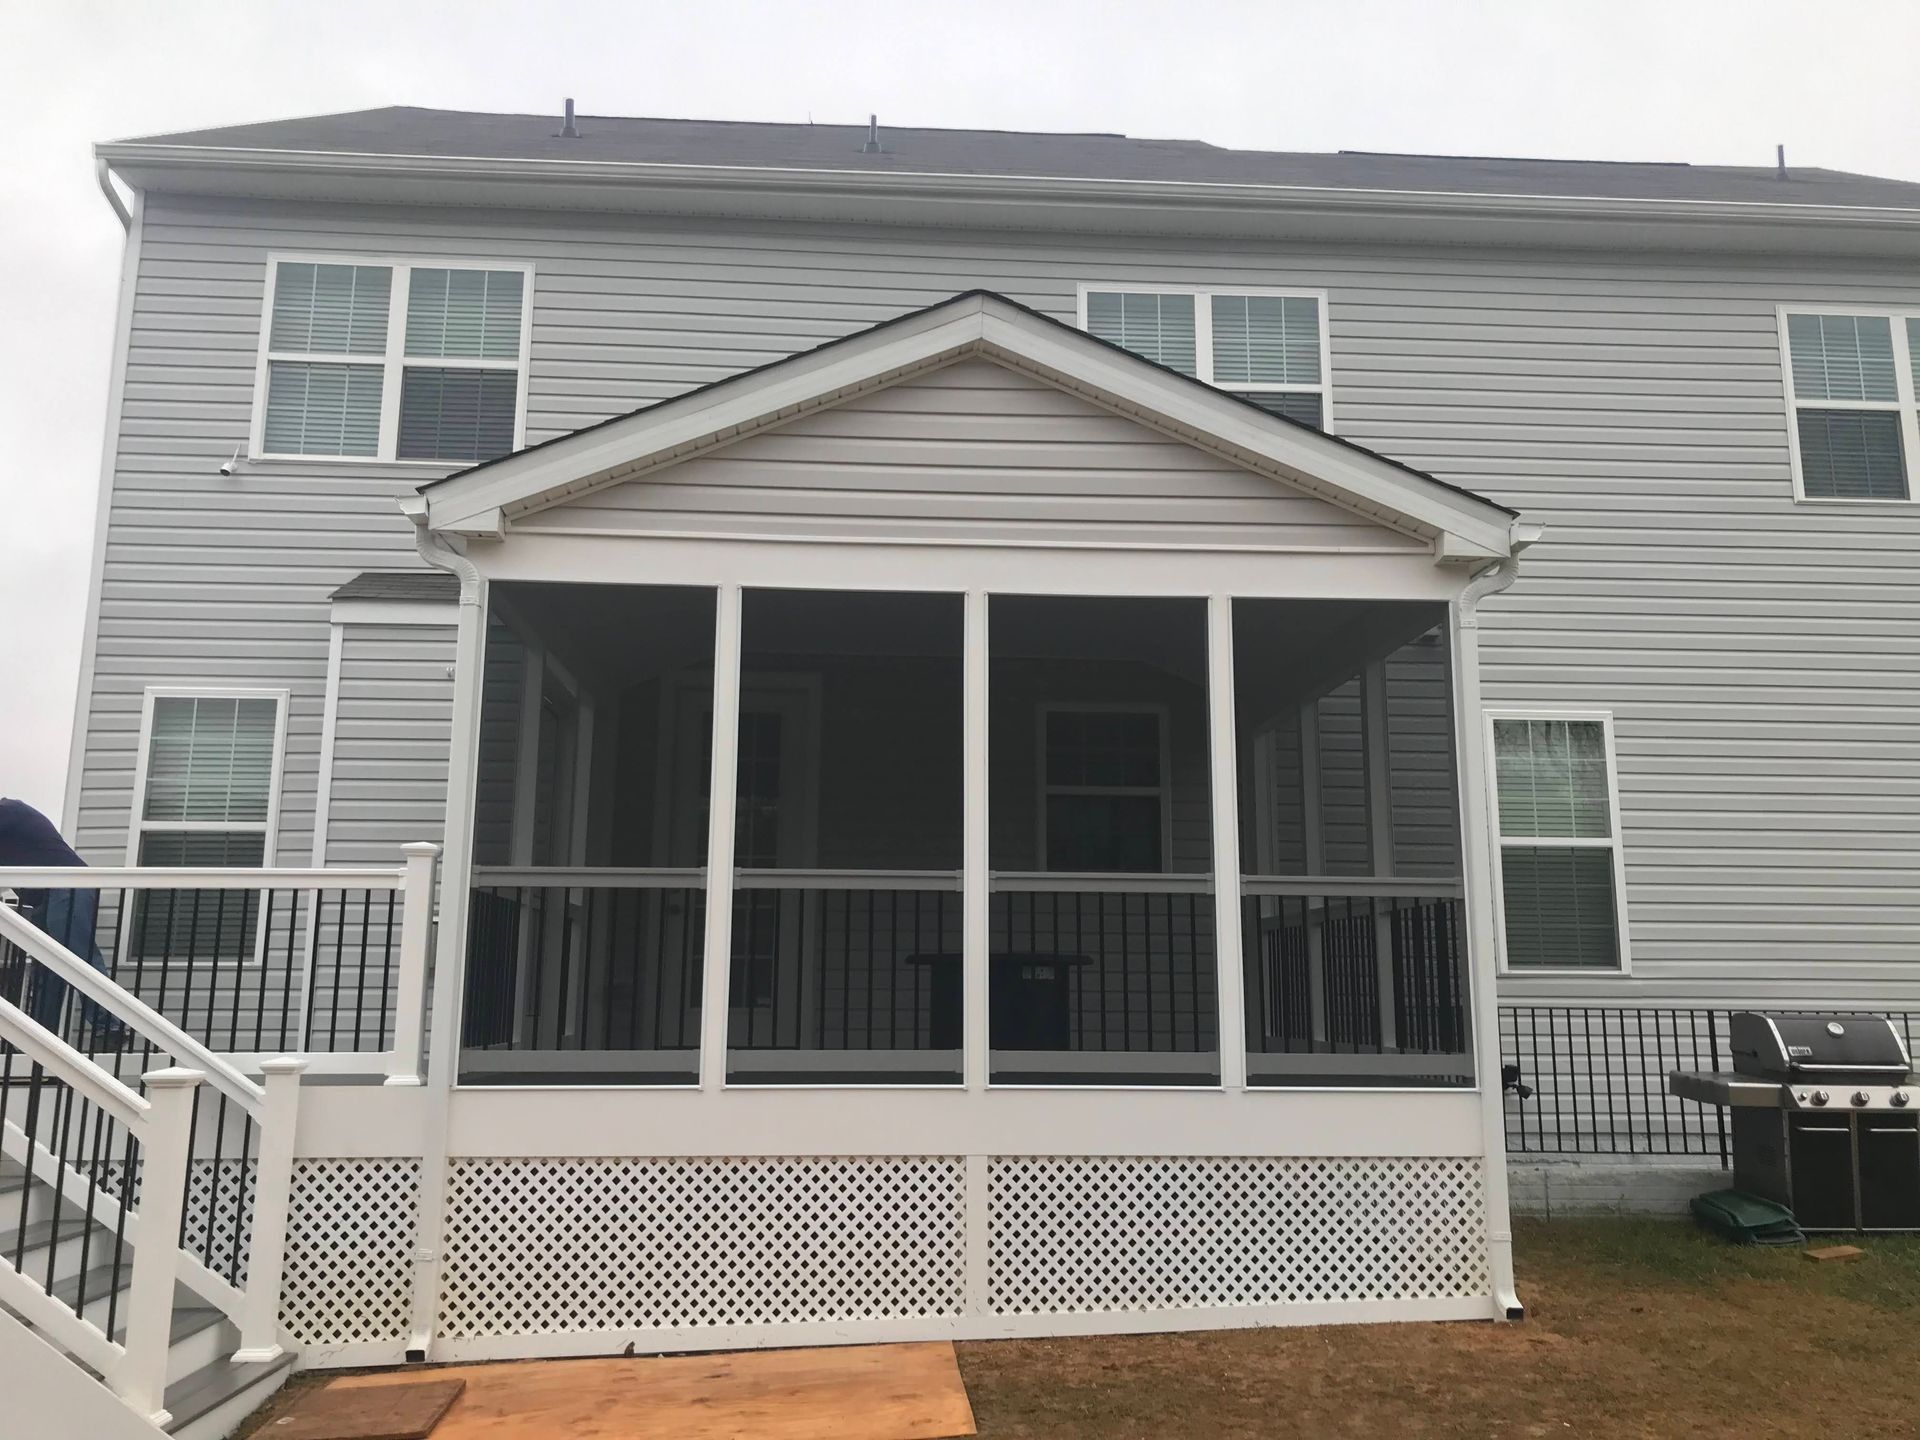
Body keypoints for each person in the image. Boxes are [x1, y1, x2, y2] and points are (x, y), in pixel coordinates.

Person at [0, 797, 120, 1039]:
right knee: (46, 968)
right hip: (45, 898)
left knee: (75, 954)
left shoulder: (9, 810)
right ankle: (41, 1038)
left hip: (69, 884)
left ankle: (108, 1027)